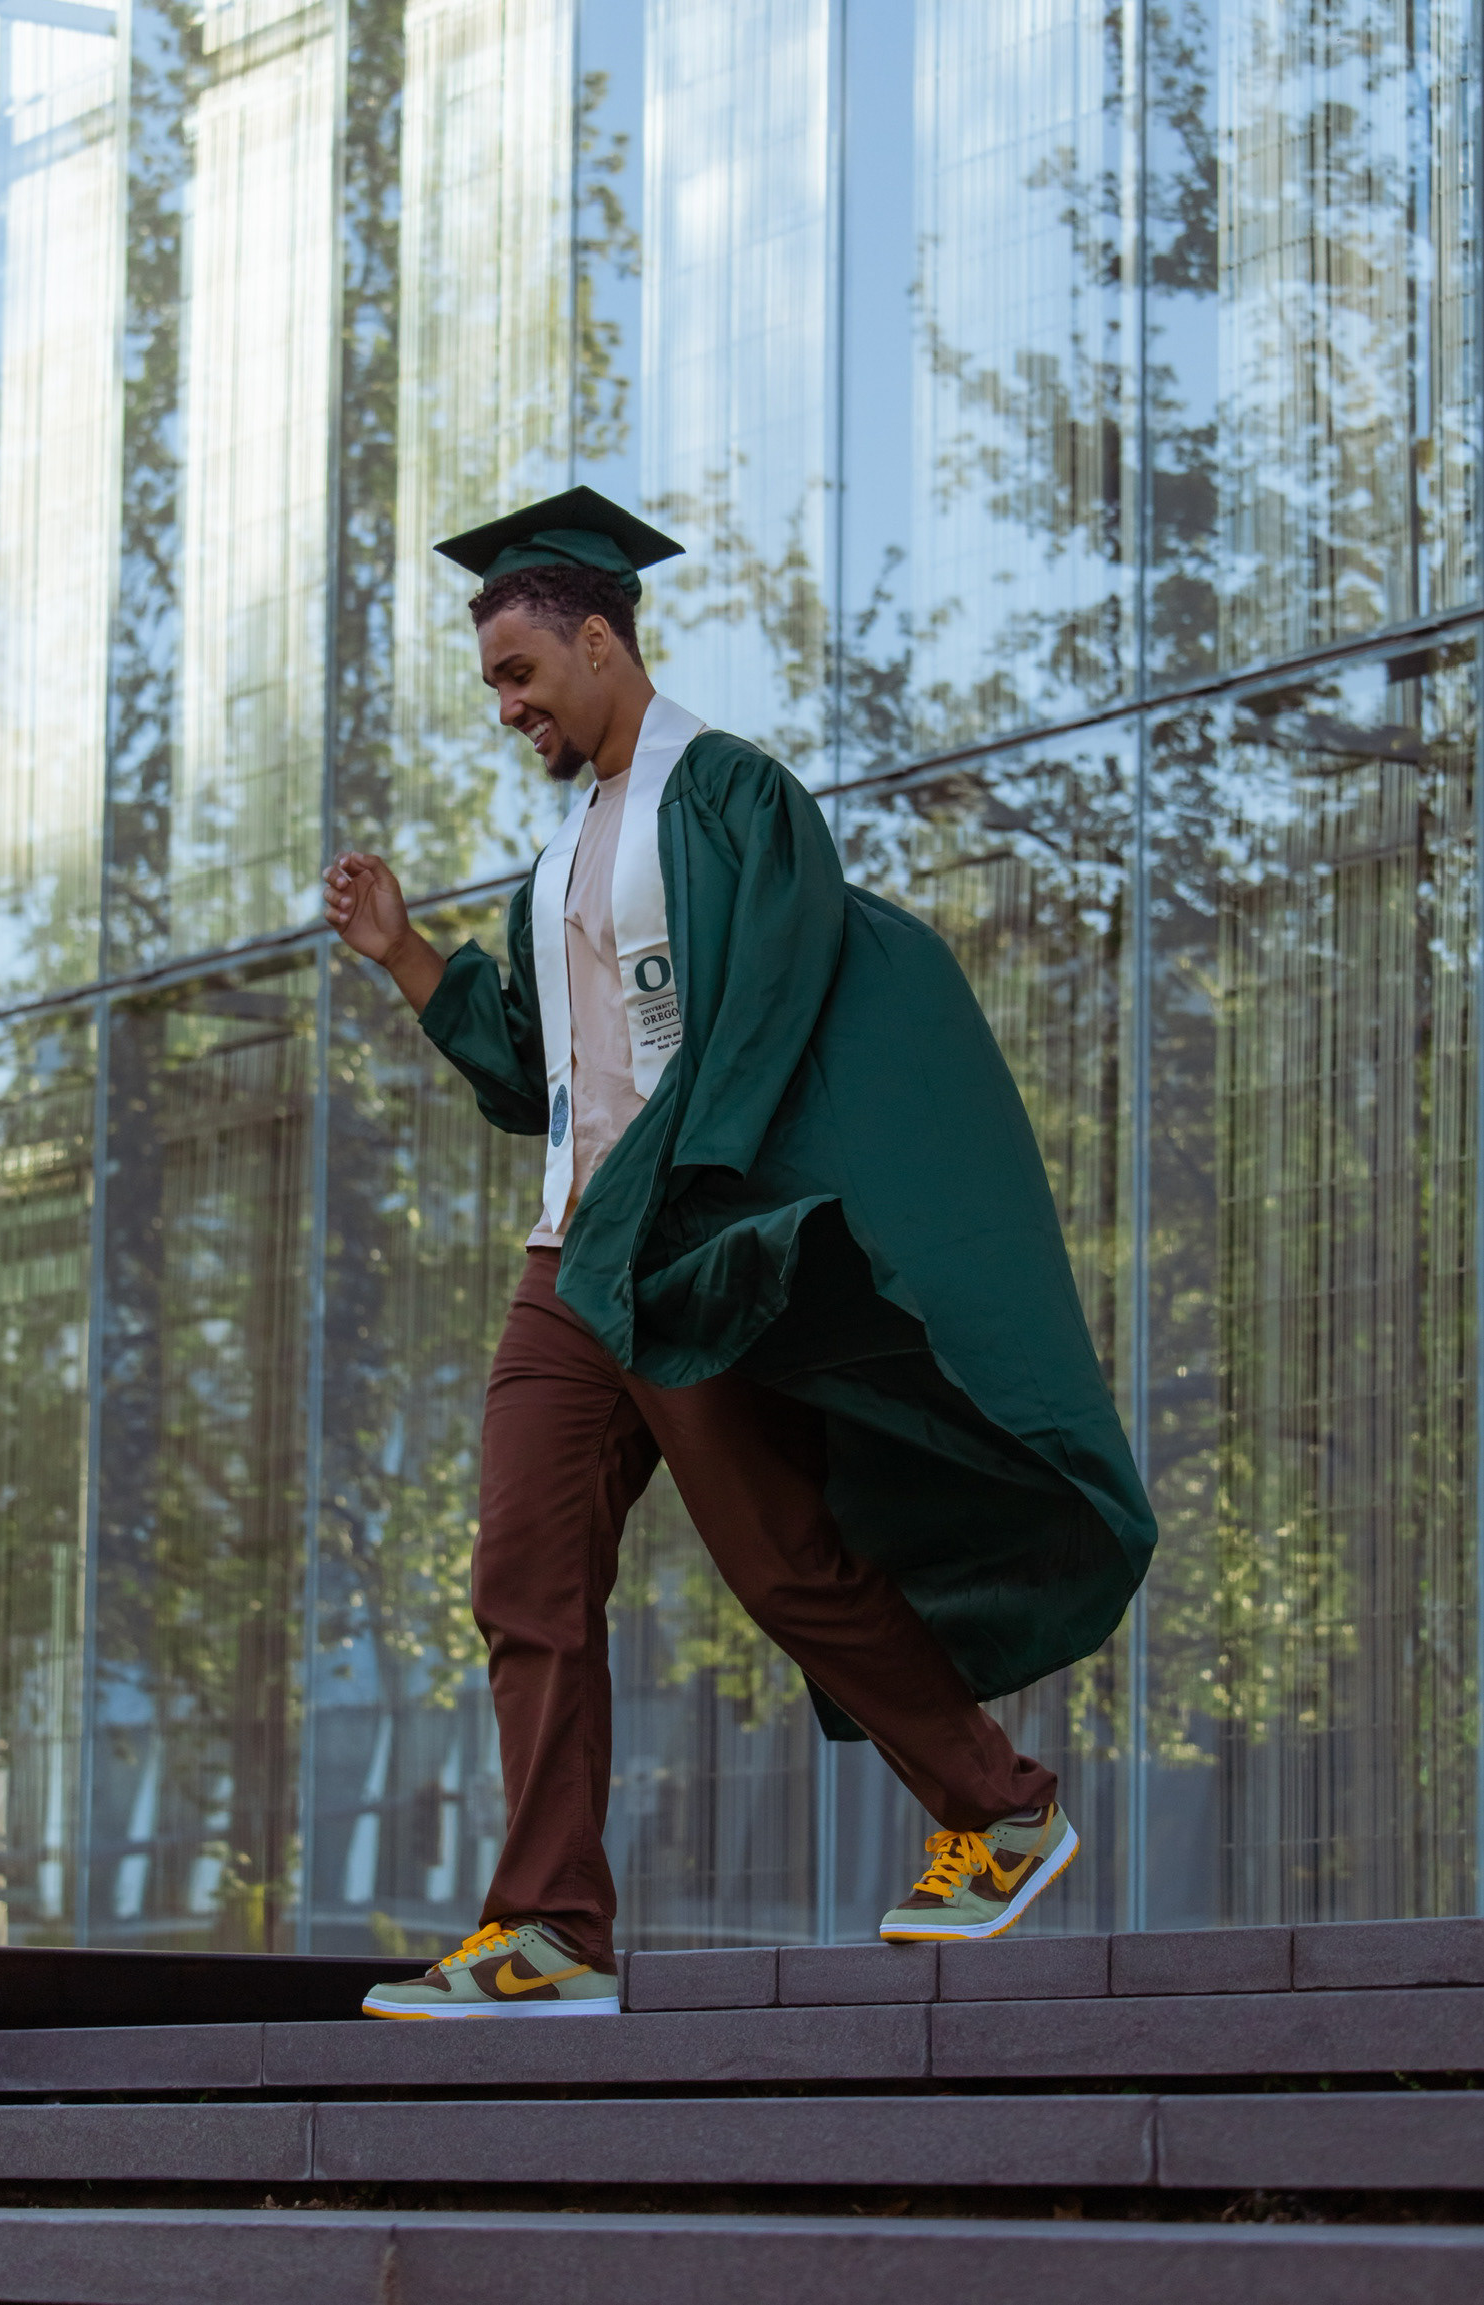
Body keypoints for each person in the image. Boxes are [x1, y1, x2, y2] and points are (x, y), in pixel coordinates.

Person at [325, 485, 1155, 2021]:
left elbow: (766, 1018)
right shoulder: (561, 856)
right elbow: (527, 1075)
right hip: (573, 1257)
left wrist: (687, 1207)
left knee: (782, 1562)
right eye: (493, 683)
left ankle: (998, 1806)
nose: (507, 708)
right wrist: (405, 957)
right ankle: (548, 1930)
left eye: (519, 672)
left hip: (680, 1244)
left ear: (598, 638)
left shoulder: (727, 795)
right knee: (521, 1575)